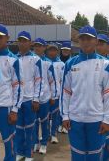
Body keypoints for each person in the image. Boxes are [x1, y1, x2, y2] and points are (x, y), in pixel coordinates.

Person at [61, 25, 109, 160]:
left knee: (94, 156)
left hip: (97, 120)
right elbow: (65, 92)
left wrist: (107, 119)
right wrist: (65, 116)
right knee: (77, 155)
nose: (86, 42)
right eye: (82, 39)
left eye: (89, 39)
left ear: (95, 41)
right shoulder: (70, 64)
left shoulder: (105, 64)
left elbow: (108, 95)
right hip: (75, 120)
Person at [0, 24, 22, 161]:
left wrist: (14, 109)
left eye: (0, 37)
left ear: (7, 38)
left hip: (6, 107)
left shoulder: (14, 59)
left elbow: (18, 86)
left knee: (9, 140)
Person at [15, 31, 42, 161]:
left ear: (30, 43)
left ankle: (29, 153)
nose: (22, 43)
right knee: (18, 128)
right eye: (20, 40)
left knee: (30, 127)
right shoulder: (14, 58)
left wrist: (36, 98)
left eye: (25, 41)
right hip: (17, 101)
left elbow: (38, 80)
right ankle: (19, 151)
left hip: (29, 99)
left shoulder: (36, 59)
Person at [32, 38, 56, 154]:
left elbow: (52, 80)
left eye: (40, 46)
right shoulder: (30, 60)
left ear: (44, 48)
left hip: (45, 98)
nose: (37, 47)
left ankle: (44, 143)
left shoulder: (48, 63)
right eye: (36, 45)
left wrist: (52, 96)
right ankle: (35, 142)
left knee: (44, 121)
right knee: (34, 122)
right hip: (33, 98)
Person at [46, 43, 65, 142]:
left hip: (57, 96)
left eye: (54, 50)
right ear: (47, 51)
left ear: (57, 52)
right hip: (45, 96)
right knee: (45, 118)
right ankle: (46, 135)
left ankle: (53, 134)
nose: (52, 52)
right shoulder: (44, 62)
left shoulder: (61, 64)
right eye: (50, 50)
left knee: (55, 116)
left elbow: (63, 81)